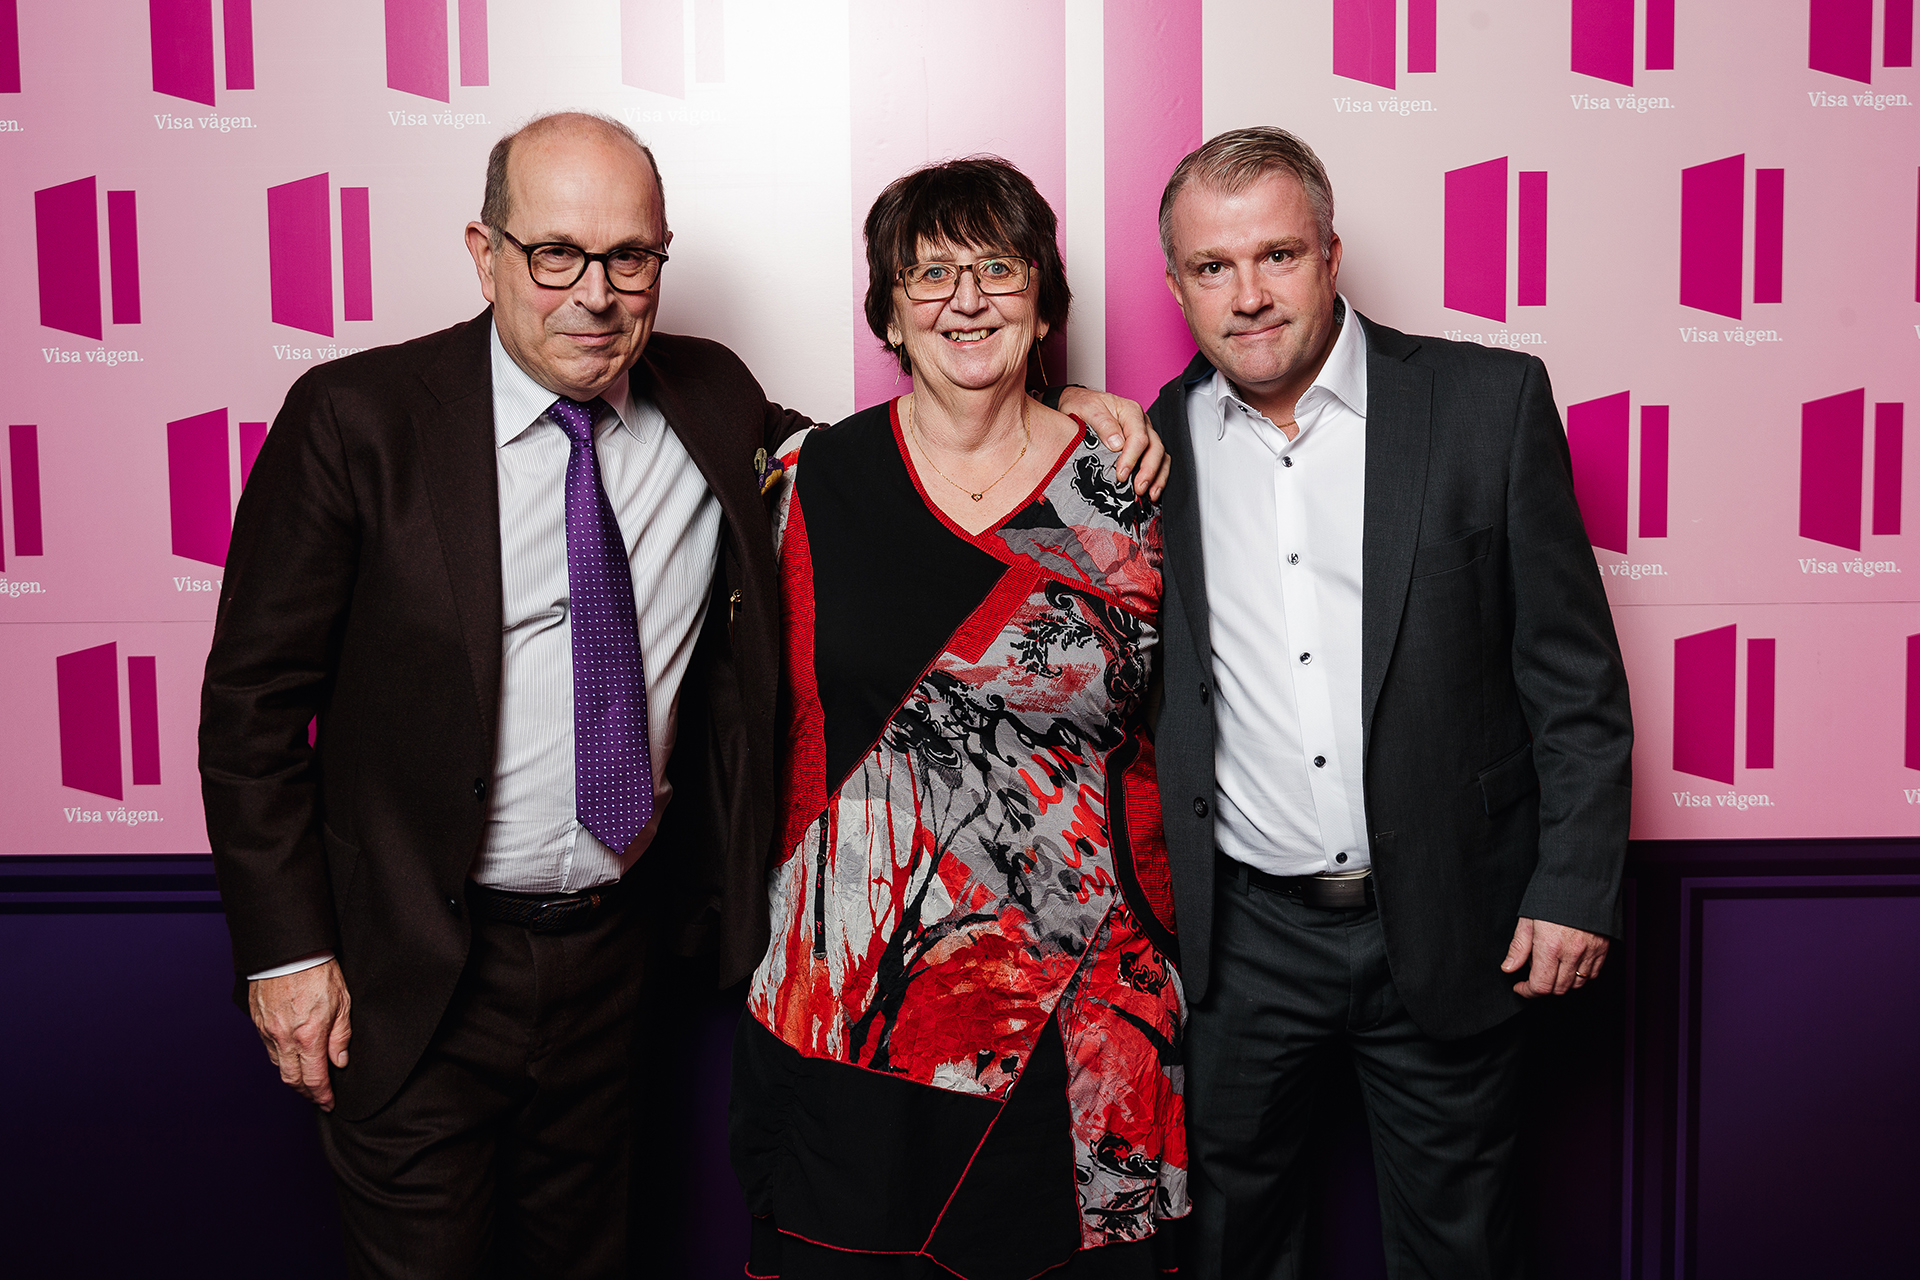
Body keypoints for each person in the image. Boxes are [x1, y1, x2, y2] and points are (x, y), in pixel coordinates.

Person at [199, 113, 1165, 1279]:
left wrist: (1076, 409)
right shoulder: (358, 419)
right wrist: (287, 954)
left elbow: (899, 474)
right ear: (485, 253)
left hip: (616, 962)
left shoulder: (712, 401)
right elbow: (251, 707)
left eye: (629, 257)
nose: (594, 293)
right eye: (556, 252)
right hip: (414, 967)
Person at [1146, 127, 1633, 1278]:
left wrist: (1575, 884)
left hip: (1453, 918)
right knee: (1230, 1247)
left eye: (1278, 255)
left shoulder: (1487, 404)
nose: (1248, 295)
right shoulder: (1142, 448)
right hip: (1243, 939)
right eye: (1213, 267)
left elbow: (1573, 676)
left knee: (1461, 1249)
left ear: (1331, 255)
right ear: (1175, 286)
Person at [729, 156, 1189, 1280]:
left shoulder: (1133, 487)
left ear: (1045, 301)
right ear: (889, 312)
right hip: (854, 992)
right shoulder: (807, 478)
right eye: (930, 274)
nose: (967, 300)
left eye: (999, 268)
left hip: (1085, 1006)